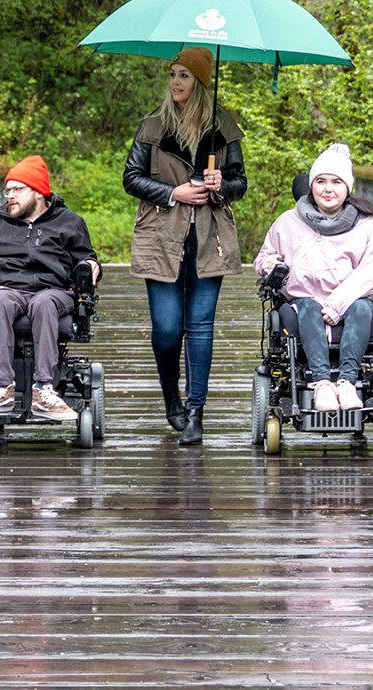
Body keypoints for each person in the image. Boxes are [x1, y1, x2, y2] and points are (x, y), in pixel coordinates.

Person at [123, 46, 248, 445]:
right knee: (166, 328)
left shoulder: (222, 125)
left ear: (200, 83)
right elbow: (131, 178)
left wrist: (219, 187)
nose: (175, 82)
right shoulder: (153, 125)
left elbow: (239, 182)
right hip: (161, 236)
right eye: (173, 74)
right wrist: (173, 192)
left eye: (184, 76)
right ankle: (171, 397)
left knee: (199, 328)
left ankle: (195, 411)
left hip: (209, 239)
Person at [0, 155, 101, 422]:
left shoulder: (68, 222)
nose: (10, 196)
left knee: (43, 303)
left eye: (17, 190)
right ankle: (2, 386)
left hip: (54, 291)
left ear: (38, 192)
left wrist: (92, 265)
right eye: (8, 190)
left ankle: (45, 388)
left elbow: (87, 257)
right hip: (8, 288)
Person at [253, 143, 373, 412]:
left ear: (347, 187)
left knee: (364, 307)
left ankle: (347, 383)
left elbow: (371, 270)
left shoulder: (368, 225)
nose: (328, 189)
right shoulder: (288, 221)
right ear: (311, 186)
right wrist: (271, 265)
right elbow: (263, 257)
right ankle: (323, 384)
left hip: (349, 301)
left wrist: (337, 304)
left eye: (337, 182)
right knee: (306, 306)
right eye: (321, 181)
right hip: (303, 301)